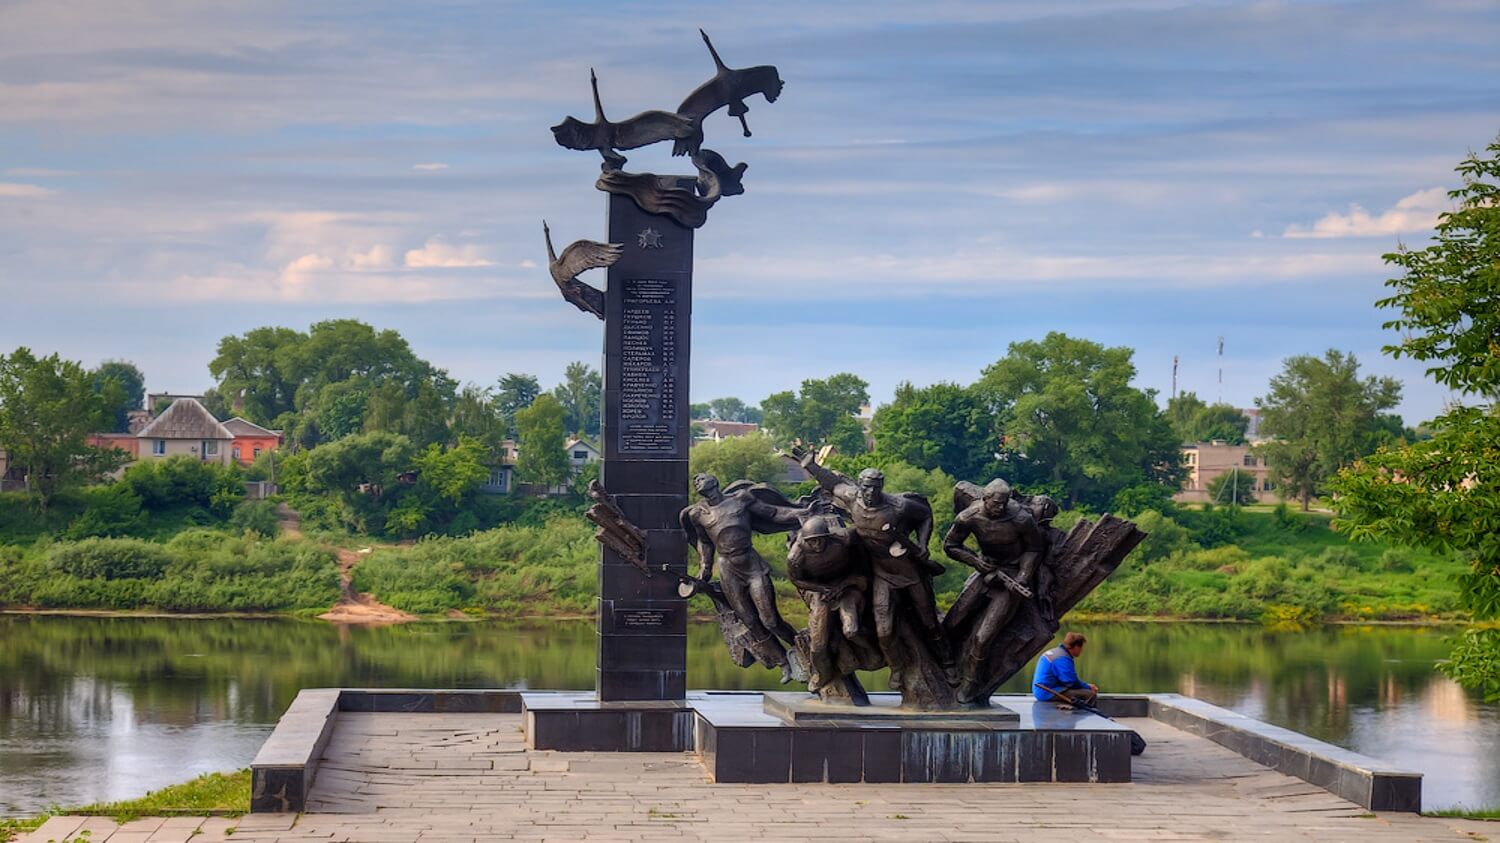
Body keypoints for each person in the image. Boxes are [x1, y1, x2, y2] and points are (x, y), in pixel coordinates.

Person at [680, 473, 806, 682]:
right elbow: (705, 542)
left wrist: (802, 513)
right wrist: (704, 567)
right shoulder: (697, 514)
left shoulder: (741, 498)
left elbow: (773, 513)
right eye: (694, 480)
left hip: (751, 563)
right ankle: (783, 661)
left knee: (770, 619)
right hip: (727, 567)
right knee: (749, 620)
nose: (697, 480)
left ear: (716, 481)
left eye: (702, 477)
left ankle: (801, 650)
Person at [942, 478, 1046, 704]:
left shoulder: (1020, 518)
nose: (1000, 508)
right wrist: (977, 563)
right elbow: (950, 546)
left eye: (1004, 503)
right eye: (995, 503)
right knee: (951, 623)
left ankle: (971, 682)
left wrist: (1023, 577)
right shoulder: (969, 517)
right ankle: (947, 666)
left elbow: (1034, 549)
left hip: (1011, 577)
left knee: (983, 637)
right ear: (985, 499)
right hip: (985, 572)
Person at [1032, 632, 1098, 704]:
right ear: (1076, 646)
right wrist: (1088, 687)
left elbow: (1067, 680)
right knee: (1090, 695)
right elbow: (1071, 682)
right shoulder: (1062, 658)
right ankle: (1082, 714)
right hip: (1047, 693)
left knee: (1079, 692)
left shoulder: (1057, 652)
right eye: (1081, 647)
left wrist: (1086, 686)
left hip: (1044, 689)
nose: (1082, 650)